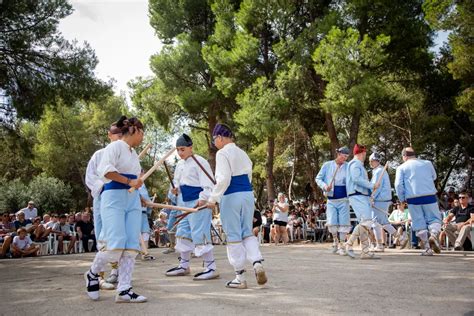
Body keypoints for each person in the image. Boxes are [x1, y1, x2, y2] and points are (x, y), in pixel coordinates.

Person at [84, 116, 147, 303]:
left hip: (132, 200)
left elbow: (136, 180)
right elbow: (106, 171)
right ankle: (92, 273)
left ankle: (124, 289)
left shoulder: (133, 154)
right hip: (113, 198)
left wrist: (139, 192)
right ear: (134, 130)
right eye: (142, 132)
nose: (143, 136)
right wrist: (129, 181)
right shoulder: (115, 147)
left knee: (130, 246)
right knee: (115, 242)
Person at [206, 123, 267, 289]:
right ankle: (256, 262)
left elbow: (224, 178)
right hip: (247, 195)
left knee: (233, 235)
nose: (214, 143)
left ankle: (240, 277)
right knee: (247, 232)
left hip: (231, 195)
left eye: (214, 140)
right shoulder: (243, 153)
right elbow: (248, 175)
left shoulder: (222, 153)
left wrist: (212, 199)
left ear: (219, 137)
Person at [165, 134, 219, 280]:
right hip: (183, 203)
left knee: (200, 233)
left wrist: (203, 199)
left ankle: (211, 267)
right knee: (182, 232)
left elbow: (209, 183)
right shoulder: (179, 165)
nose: (180, 153)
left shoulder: (200, 162)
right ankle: (184, 265)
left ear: (190, 148)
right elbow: (177, 183)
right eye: (178, 150)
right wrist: (174, 189)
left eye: (182, 149)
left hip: (197, 203)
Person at [85, 123, 122, 285]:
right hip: (103, 197)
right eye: (116, 134)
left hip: (121, 199)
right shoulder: (99, 155)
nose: (119, 138)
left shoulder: (126, 155)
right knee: (102, 234)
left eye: (122, 135)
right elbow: (90, 177)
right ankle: (98, 276)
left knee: (117, 235)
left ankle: (115, 270)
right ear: (109, 135)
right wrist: (105, 186)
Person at [395, 147, 442, 256]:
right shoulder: (427, 163)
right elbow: (434, 177)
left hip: (413, 198)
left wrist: (402, 199)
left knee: (419, 223)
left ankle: (427, 248)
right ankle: (434, 235)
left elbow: (398, 185)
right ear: (414, 155)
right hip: (429, 196)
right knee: (434, 218)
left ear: (404, 156)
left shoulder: (401, 167)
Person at [344, 144, 380, 259]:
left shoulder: (356, 164)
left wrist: (369, 193)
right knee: (367, 222)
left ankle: (365, 251)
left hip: (360, 195)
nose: (365, 155)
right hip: (357, 195)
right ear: (362, 153)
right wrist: (372, 185)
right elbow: (356, 179)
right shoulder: (355, 164)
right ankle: (349, 244)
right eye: (365, 153)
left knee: (364, 223)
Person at [316, 146, 351, 255]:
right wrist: (325, 186)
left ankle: (341, 245)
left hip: (344, 199)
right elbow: (318, 178)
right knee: (332, 223)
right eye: (343, 156)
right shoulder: (327, 165)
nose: (344, 158)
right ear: (338, 154)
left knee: (344, 223)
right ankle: (335, 241)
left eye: (346, 157)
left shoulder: (348, 166)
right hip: (331, 199)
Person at [369, 153, 407, 251]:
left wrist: (372, 197)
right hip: (382, 199)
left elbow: (376, 187)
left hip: (380, 199)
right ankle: (400, 238)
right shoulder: (378, 171)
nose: (371, 163)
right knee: (382, 222)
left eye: (372, 161)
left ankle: (380, 245)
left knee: (376, 222)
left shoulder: (378, 171)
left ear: (375, 161)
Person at [137, 181, 155, 260]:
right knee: (139, 231)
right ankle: (142, 252)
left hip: (142, 211)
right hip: (135, 210)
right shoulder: (138, 181)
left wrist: (149, 210)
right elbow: (144, 196)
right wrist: (149, 207)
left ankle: (144, 252)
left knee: (145, 231)